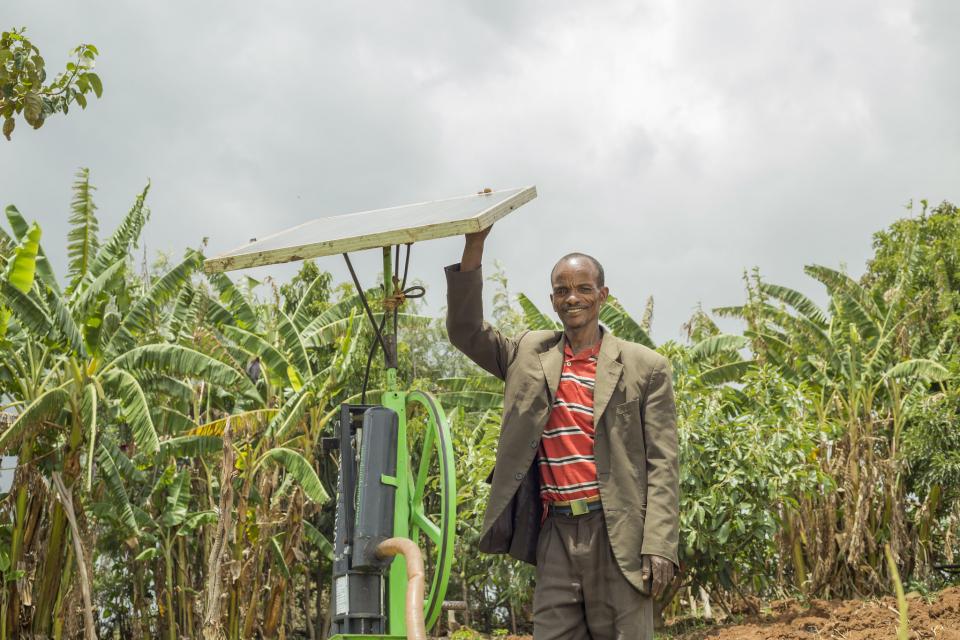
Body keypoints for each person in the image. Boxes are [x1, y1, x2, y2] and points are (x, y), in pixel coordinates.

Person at [445, 225, 679, 639]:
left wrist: (659, 544)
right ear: (552, 300)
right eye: (562, 290)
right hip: (556, 534)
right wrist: (475, 244)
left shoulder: (646, 367)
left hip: (617, 534)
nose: (573, 298)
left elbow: (663, 463)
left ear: (602, 295)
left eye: (584, 288)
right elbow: (466, 332)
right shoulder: (526, 352)